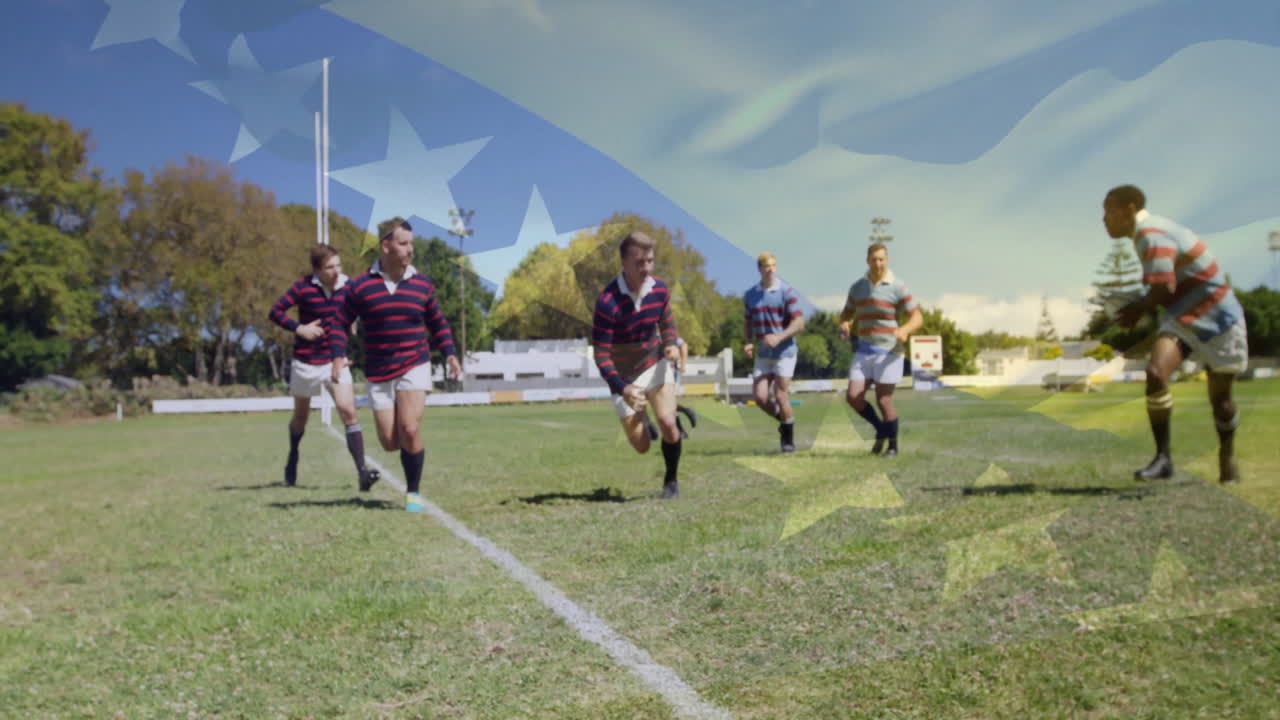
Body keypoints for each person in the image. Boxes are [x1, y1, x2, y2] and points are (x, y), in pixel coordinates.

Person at [1103, 184, 1246, 484]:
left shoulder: (1151, 232)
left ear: (1130, 210)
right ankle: (1164, 459)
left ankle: (1227, 454)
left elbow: (1163, 286)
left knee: (1221, 401)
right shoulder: (1147, 235)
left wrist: (1137, 308)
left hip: (1219, 318)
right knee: (1156, 374)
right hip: (1182, 318)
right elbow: (1167, 286)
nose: (1105, 219)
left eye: (1109, 211)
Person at [328, 217, 462, 512]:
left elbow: (437, 322)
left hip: (415, 362)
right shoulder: (361, 287)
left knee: (410, 428)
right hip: (378, 371)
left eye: (411, 243)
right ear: (386, 245)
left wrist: (450, 353)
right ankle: (408, 459)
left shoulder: (423, 283)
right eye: (403, 243)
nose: (410, 249)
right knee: (390, 441)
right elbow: (338, 322)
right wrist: (338, 355)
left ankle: (413, 492)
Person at [268, 244, 378, 491]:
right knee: (300, 417)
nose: (336, 271)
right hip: (305, 363)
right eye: (330, 267)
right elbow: (275, 311)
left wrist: (355, 322)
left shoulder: (349, 286)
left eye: (338, 265)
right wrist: (300, 328)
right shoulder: (303, 287)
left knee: (348, 411)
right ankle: (293, 456)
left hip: (335, 361)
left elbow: (366, 308)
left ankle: (362, 473)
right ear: (317, 269)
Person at [592, 231, 685, 499]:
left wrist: (669, 343)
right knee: (642, 445)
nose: (646, 268)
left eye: (650, 261)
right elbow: (601, 355)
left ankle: (671, 481)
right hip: (624, 378)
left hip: (654, 364)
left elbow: (666, 323)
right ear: (624, 263)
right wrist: (623, 388)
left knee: (669, 423)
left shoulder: (660, 289)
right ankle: (645, 426)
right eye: (639, 262)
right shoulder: (607, 302)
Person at [839, 242, 923, 457]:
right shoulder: (857, 287)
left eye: (882, 259)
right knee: (853, 396)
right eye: (874, 259)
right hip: (864, 351)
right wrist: (845, 325)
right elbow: (846, 314)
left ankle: (893, 447)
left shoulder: (897, 286)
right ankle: (880, 429)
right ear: (867, 260)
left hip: (889, 352)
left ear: (887, 260)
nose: (878, 263)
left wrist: (904, 329)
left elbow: (917, 317)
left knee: (883, 400)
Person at [743, 252, 805, 453]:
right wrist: (748, 342)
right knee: (760, 398)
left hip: (785, 352)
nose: (770, 269)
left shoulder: (786, 292)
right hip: (763, 354)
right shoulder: (751, 295)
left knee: (780, 395)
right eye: (766, 266)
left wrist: (779, 337)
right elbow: (748, 321)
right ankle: (785, 422)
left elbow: (799, 322)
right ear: (759, 269)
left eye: (773, 265)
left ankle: (788, 441)